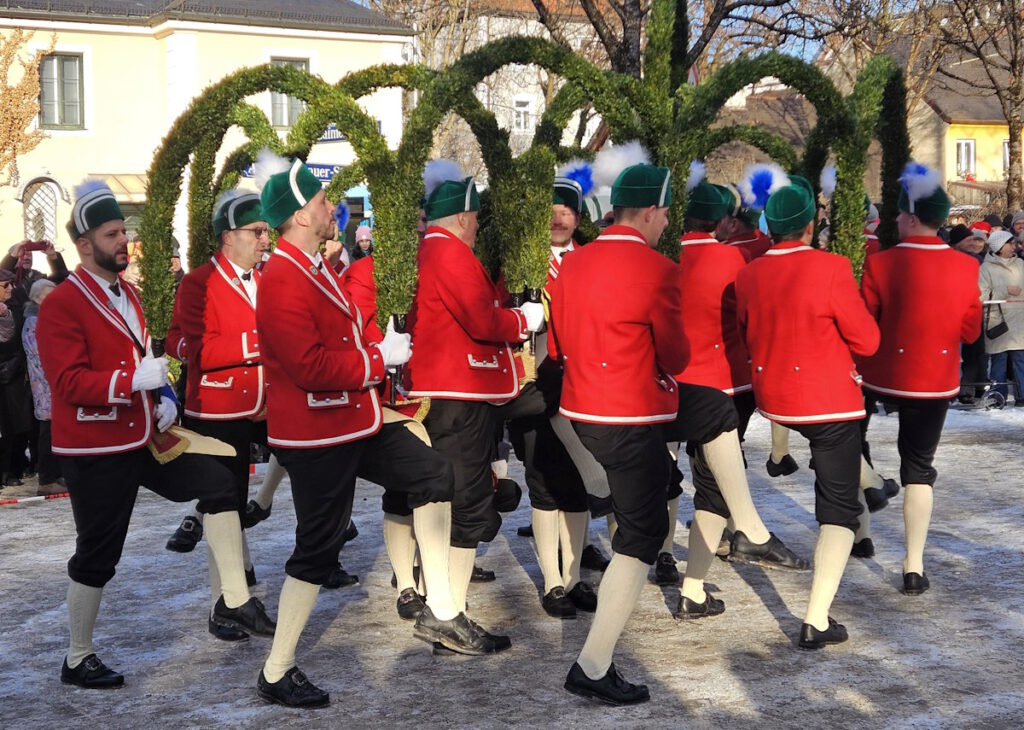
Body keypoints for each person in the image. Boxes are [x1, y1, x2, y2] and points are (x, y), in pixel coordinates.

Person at [252, 151, 497, 709]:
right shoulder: (284, 278)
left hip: (354, 419)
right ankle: (276, 669)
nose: (330, 206)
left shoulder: (317, 267)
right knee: (317, 549)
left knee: (435, 473)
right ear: (298, 216)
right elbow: (309, 366)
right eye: (319, 201)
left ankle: (442, 611)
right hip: (316, 434)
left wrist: (376, 351)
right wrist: (376, 360)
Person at [37, 180, 274, 690]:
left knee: (217, 483)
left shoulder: (133, 296)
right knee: (99, 552)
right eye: (112, 233)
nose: (124, 241)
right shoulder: (62, 304)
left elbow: (145, 358)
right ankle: (78, 657)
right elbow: (67, 382)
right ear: (83, 245)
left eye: (124, 231)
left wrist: (163, 397)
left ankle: (234, 600)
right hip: (95, 447)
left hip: (144, 437)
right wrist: (131, 384)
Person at [548, 157, 687, 705]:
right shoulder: (658, 269)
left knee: (641, 519)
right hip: (629, 414)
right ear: (651, 211)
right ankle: (594, 662)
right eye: (665, 213)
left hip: (582, 409)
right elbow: (676, 354)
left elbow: (560, 333)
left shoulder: (575, 263)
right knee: (641, 537)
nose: (667, 223)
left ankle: (595, 658)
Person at [735, 178, 881, 650]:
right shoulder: (832, 267)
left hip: (775, 397)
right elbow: (868, 341)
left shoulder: (749, 273)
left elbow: (746, 329)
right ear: (808, 224)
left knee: (840, 487)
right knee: (838, 511)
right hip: (828, 400)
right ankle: (816, 618)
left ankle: (867, 480)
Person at [404, 159, 544, 636]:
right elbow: (482, 322)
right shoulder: (451, 253)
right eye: (477, 216)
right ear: (462, 217)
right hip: (458, 394)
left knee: (458, 503)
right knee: (467, 506)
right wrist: (522, 321)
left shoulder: (432, 251)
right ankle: (448, 612)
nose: (479, 224)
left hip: (452, 392)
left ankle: (449, 608)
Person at [668, 171, 808, 615]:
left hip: (668, 383)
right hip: (724, 384)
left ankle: (675, 570)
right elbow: (750, 320)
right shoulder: (730, 261)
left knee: (673, 478)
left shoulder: (664, 256)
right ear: (721, 222)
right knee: (710, 489)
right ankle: (692, 587)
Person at [858, 162, 982, 596]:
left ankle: (861, 531)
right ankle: (913, 565)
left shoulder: (881, 263)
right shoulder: (967, 268)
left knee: (855, 447)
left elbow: (866, 325)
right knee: (918, 471)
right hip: (934, 379)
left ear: (912, 216)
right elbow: (970, 331)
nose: (893, 219)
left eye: (898, 213)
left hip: (879, 374)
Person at [162, 188, 279, 640]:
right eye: (258, 231)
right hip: (216, 405)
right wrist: (256, 345)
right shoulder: (198, 282)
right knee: (222, 502)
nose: (265, 240)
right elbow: (196, 348)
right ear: (229, 236)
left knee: (228, 503)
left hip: (261, 403)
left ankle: (228, 602)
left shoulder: (266, 277)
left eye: (266, 231)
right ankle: (225, 603)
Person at [21, 278, 62, 496]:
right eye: (50, 295)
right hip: (46, 387)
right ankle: (46, 479)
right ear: (37, 298)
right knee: (48, 432)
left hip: (56, 383)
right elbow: (40, 353)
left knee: (57, 431)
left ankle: (56, 474)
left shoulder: (49, 317)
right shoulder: (33, 321)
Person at [978, 230, 1024, 404]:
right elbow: (981, 296)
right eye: (1010, 243)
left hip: (1020, 321)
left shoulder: (1020, 264)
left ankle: (1022, 396)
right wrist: (1005, 291)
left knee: (1021, 360)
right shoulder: (986, 268)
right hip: (999, 322)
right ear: (999, 247)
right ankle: (998, 397)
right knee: (999, 361)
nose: (1014, 246)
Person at [0, 267, 33, 486]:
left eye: (11, 284)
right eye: (5, 285)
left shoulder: (15, 307)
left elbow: (17, 338)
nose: (11, 288)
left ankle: (12, 470)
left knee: (17, 427)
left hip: (12, 375)